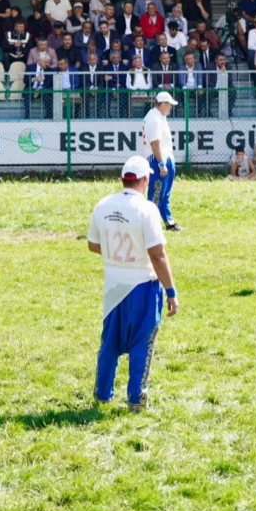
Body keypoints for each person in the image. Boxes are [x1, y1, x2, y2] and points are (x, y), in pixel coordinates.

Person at [87, 156, 179, 412]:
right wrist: (171, 290)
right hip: (143, 285)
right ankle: (137, 399)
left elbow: (93, 244)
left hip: (113, 285)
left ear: (122, 179)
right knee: (142, 344)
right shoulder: (147, 209)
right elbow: (158, 254)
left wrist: (115, 256)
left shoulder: (103, 205)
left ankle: (102, 394)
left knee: (109, 344)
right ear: (146, 180)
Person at [143, 91, 181, 231]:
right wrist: (161, 164)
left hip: (165, 156)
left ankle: (169, 222)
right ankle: (148, 224)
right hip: (158, 159)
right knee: (156, 193)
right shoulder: (154, 119)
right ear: (163, 104)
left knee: (165, 193)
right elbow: (155, 143)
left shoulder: (159, 117)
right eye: (169, 105)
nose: (171, 107)